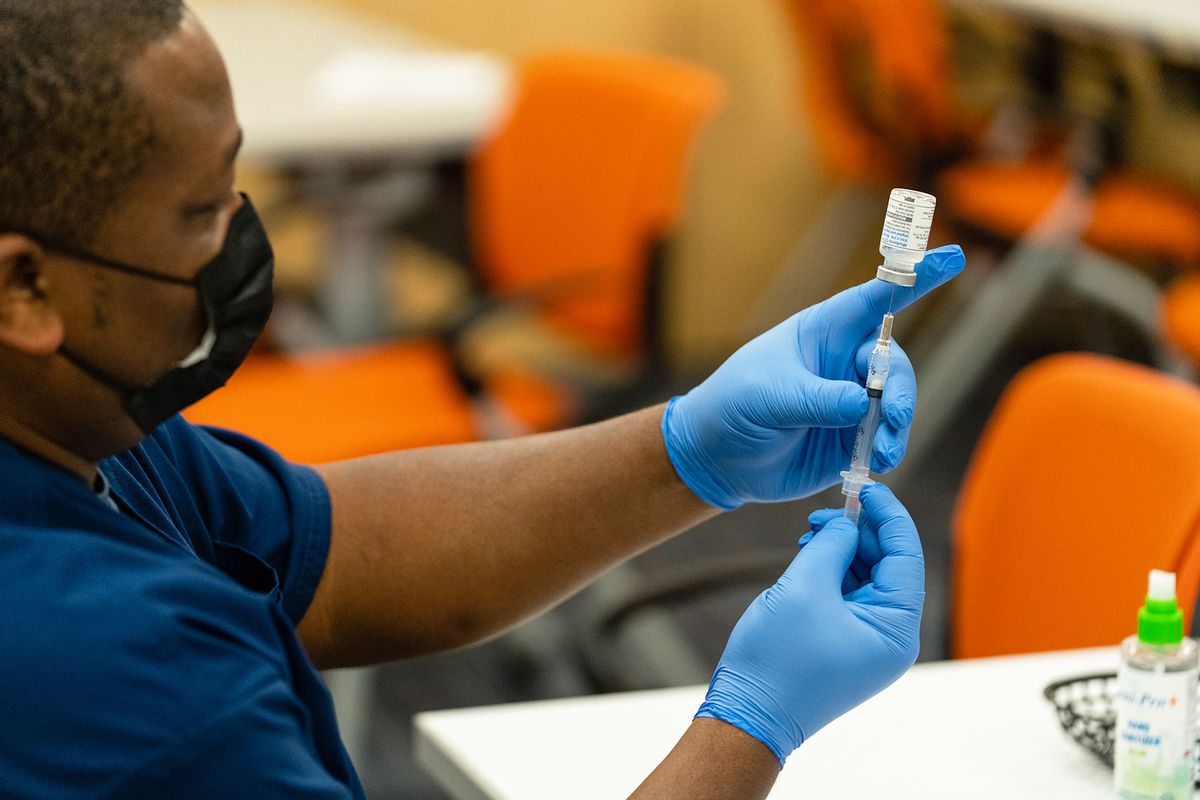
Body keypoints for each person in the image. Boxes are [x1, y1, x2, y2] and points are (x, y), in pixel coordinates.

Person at [0, 2, 965, 798]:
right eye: (201, 213)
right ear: (26, 290)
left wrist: (686, 452)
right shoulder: (134, 686)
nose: (240, 242)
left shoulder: (77, 427)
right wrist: (753, 725)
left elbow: (327, 553)